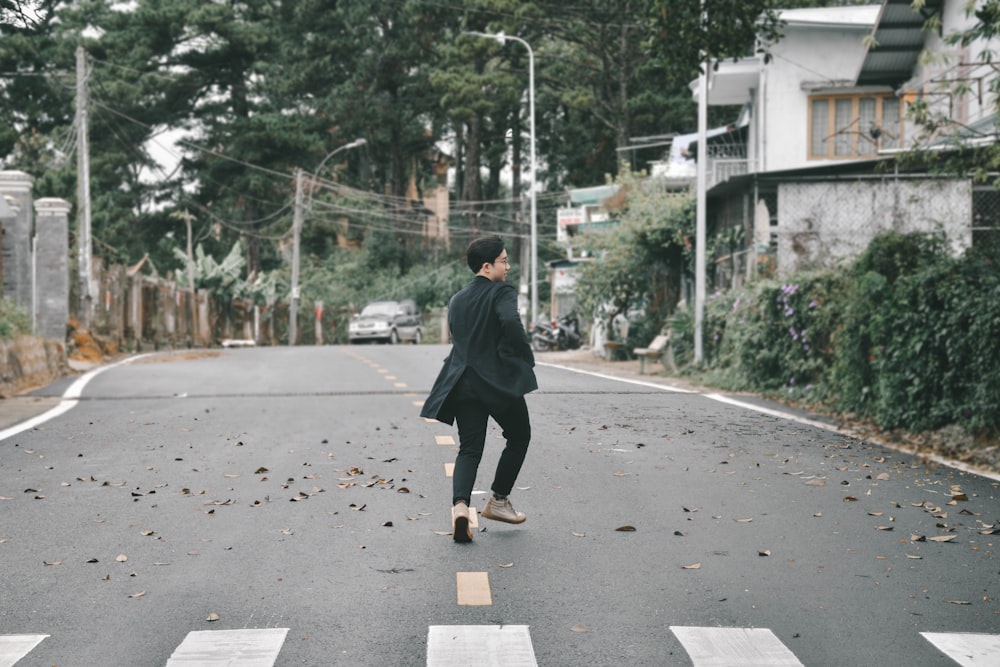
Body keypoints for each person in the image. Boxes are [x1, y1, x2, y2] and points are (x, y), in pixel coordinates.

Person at [420, 235, 538, 543]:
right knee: (519, 436)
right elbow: (511, 323)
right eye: (504, 261)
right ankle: (498, 500)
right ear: (487, 267)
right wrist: (523, 356)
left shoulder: (457, 299)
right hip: (496, 384)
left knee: (469, 449)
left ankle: (461, 508)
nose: (508, 266)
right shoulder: (502, 292)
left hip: (461, 383)